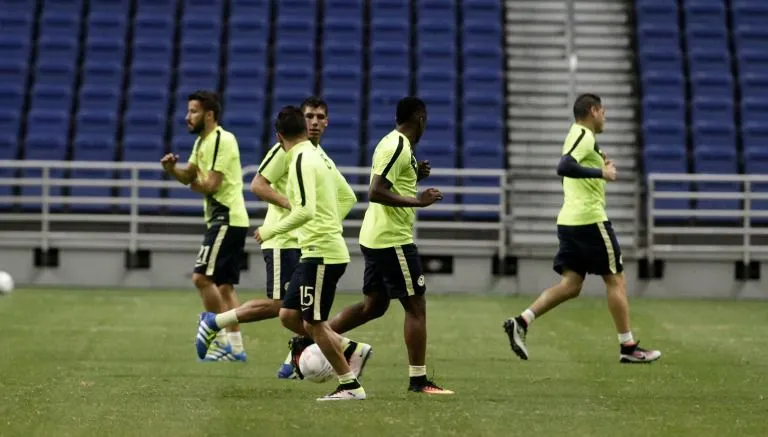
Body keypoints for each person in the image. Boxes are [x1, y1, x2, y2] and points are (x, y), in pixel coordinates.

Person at [197, 106, 370, 401]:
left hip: (316, 250)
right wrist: (325, 223)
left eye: (320, 117)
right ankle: (348, 350)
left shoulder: (301, 157)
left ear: (280, 136)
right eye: (311, 117)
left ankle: (350, 385)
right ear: (305, 126)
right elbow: (347, 197)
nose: (315, 122)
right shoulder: (318, 156)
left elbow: (304, 210)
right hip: (313, 247)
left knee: (309, 321)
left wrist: (272, 230)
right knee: (289, 313)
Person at [289, 97, 454, 394]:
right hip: (393, 239)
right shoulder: (399, 146)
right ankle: (419, 380)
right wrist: (418, 200)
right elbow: (376, 191)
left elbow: (392, 181)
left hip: (376, 236)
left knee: (373, 306)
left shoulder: (394, 144)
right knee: (416, 305)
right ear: (419, 117)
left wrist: (415, 175)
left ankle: (310, 341)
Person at [502, 93, 662, 364]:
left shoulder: (585, 139)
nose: (605, 117)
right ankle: (628, 346)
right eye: (603, 112)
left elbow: (576, 165)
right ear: (593, 111)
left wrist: (602, 164)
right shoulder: (583, 134)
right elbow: (564, 165)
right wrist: (602, 172)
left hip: (570, 221)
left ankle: (521, 321)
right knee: (616, 279)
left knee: (572, 285)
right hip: (589, 220)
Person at [161, 90, 248, 362]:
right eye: (188, 111)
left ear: (209, 115)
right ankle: (235, 348)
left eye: (193, 111)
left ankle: (218, 339)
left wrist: (190, 182)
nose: (188, 117)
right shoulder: (202, 142)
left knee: (201, 277)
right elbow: (189, 173)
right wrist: (173, 170)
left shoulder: (223, 139)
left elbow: (210, 185)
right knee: (224, 287)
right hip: (225, 219)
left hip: (226, 217)